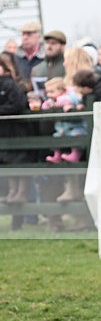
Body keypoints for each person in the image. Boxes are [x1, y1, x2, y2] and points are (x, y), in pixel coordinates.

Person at [0, 54, 36, 227]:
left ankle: (20, 192)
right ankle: (13, 191)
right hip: (5, 134)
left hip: (17, 131)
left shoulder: (10, 85)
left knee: (19, 162)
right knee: (8, 163)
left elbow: (18, 105)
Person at [14, 21, 45, 90]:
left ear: (39, 37)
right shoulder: (14, 58)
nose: (25, 37)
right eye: (23, 34)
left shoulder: (47, 57)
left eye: (29, 34)